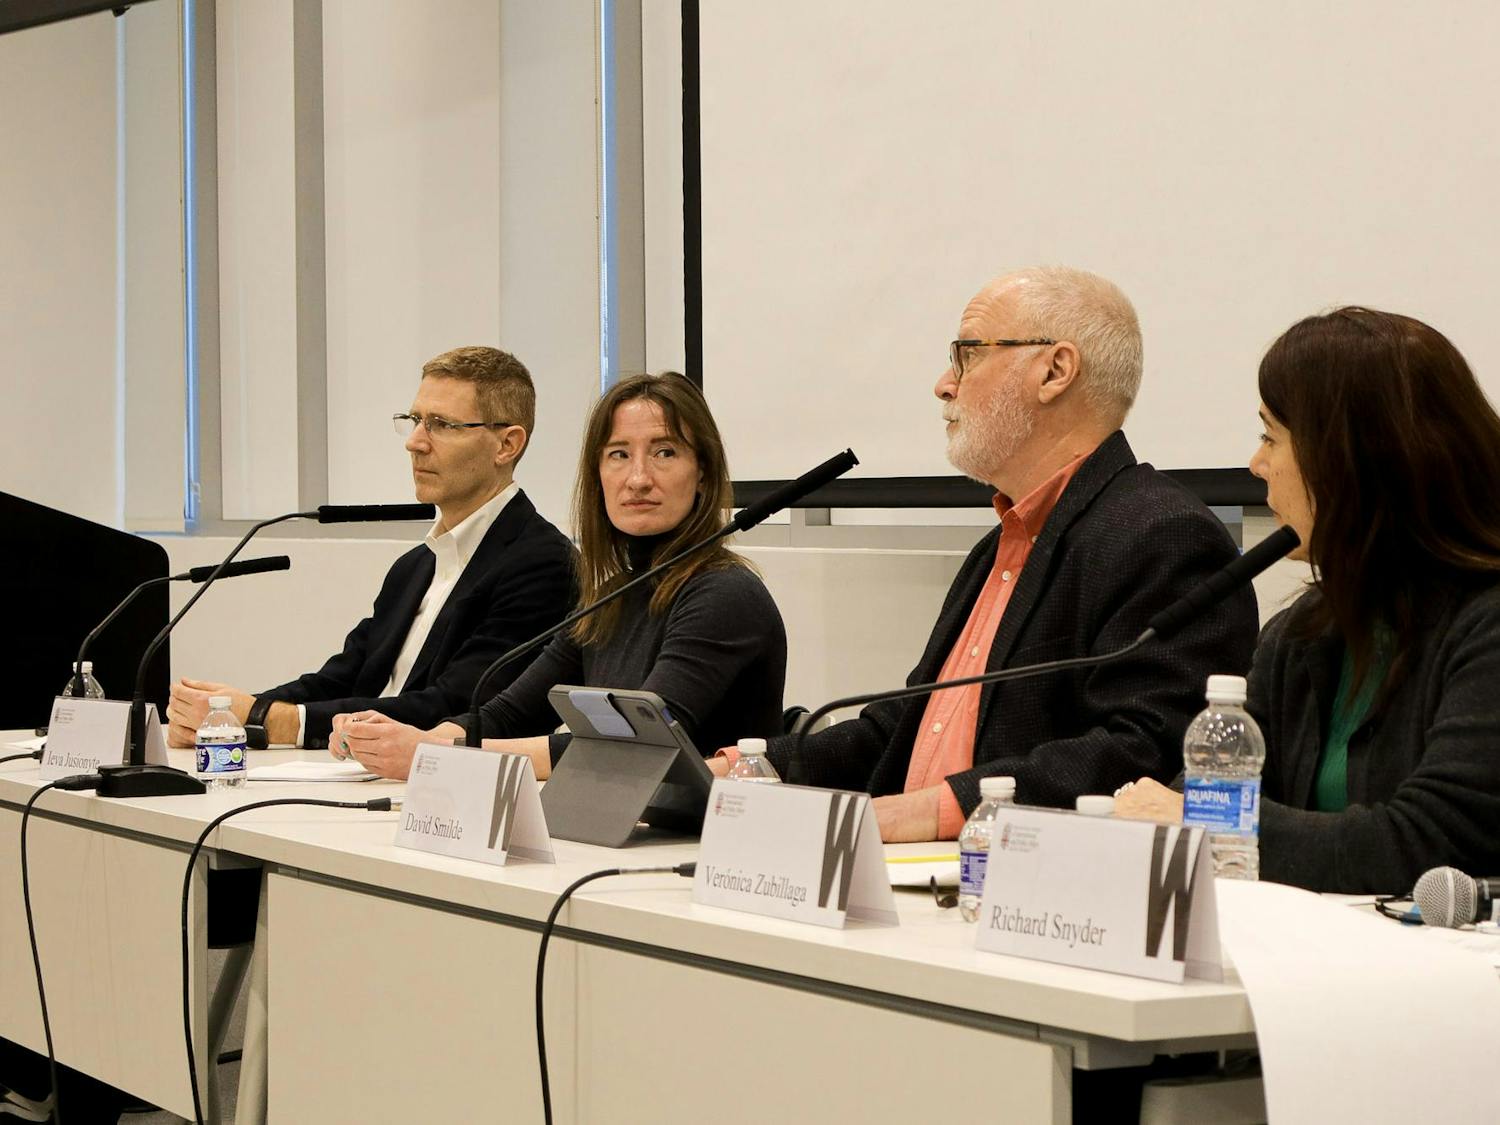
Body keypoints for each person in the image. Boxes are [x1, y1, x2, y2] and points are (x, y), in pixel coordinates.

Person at [731, 266, 1258, 843]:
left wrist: (935, 810)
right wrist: (752, 770)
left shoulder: (1164, 534)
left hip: (1029, 892)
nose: (944, 383)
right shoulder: (998, 546)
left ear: (1055, 371)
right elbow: (906, 729)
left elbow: (1144, 750)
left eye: (967, 354)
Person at [1114, 308, 1500, 892]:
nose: (1256, 464)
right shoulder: (1303, 633)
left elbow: (1429, 844)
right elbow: (1206, 797)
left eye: (1272, 436)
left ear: (1356, 459)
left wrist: (1203, 822)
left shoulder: (1487, 623)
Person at [337, 371, 787, 780]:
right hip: (621, 833)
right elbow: (508, 713)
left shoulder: (724, 593)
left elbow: (636, 746)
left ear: (703, 473)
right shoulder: (612, 594)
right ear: (598, 475)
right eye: (618, 455)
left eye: (664, 453)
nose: (638, 478)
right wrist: (405, 737)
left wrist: (437, 751)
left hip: (703, 851)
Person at [164, 346, 576, 750]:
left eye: (442, 424)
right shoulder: (414, 566)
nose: (415, 442)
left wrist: (266, 719)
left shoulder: (542, 562)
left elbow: (459, 704)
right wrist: (226, 715)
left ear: (507, 445)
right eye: (415, 420)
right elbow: (344, 676)